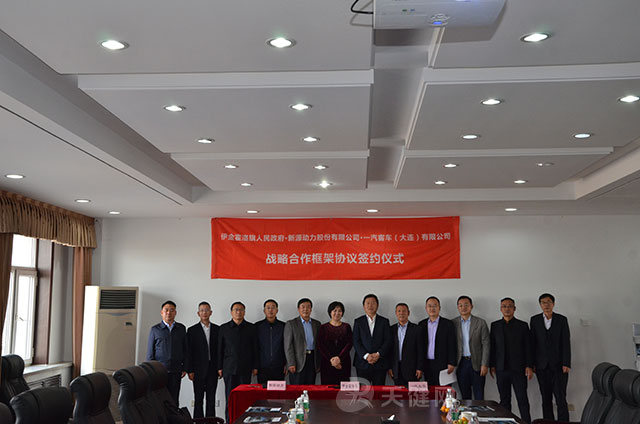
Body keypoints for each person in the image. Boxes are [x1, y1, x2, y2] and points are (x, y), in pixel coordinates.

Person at [490, 297, 533, 424]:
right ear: (500, 309)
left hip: (518, 369)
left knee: (522, 399)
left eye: (509, 306)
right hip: (501, 369)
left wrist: (529, 365)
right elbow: (492, 347)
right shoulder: (495, 326)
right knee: (504, 400)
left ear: (514, 309)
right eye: (504, 306)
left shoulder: (523, 325)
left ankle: (526, 422)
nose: (507, 309)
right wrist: (492, 365)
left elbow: (528, 347)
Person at [530, 293, 571, 421]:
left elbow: (566, 342)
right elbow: (533, 343)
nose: (546, 305)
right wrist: (532, 364)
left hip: (559, 366)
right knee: (546, 399)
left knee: (560, 398)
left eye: (548, 302)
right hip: (541, 366)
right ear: (540, 305)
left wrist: (566, 363)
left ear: (553, 304)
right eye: (543, 302)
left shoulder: (561, 320)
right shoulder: (535, 320)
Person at [217, 301, 258, 423]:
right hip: (229, 368)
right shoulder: (224, 328)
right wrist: (219, 367)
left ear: (244, 312)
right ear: (231, 312)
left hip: (245, 368)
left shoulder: (251, 328)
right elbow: (219, 349)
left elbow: (255, 349)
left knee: (245, 398)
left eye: (241, 310)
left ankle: (245, 420)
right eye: (236, 310)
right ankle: (229, 421)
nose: (238, 312)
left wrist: (255, 366)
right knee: (230, 398)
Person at [146, 300, 187, 406]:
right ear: (161, 312)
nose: (169, 313)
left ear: (175, 313)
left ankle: (174, 416)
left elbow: (185, 349)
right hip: (160, 371)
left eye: (172, 310)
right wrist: (151, 370)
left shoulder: (181, 328)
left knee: (174, 398)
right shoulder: (155, 329)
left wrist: (185, 367)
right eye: (166, 310)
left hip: (176, 370)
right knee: (160, 398)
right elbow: (150, 352)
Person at [452, 295, 490, 400]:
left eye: (466, 305)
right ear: (458, 307)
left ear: (471, 306)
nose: (463, 307)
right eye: (460, 305)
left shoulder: (480, 322)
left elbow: (486, 344)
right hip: (461, 363)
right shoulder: (453, 323)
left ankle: (480, 411)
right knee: (465, 396)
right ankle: (466, 412)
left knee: (479, 395)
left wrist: (484, 364)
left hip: (477, 363)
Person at [186, 301, 219, 418]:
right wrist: (190, 370)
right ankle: (198, 420)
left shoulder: (217, 329)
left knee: (211, 399)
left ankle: (211, 421)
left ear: (211, 312)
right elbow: (189, 352)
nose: (204, 312)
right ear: (198, 313)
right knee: (198, 399)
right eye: (202, 310)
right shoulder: (192, 330)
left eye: (207, 310)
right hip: (197, 370)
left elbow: (219, 351)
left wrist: (219, 368)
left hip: (212, 368)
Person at [352, 293, 392, 385]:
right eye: (368, 303)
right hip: (362, 363)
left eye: (373, 303)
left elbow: (388, 340)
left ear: (377, 305)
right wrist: (366, 356)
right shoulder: (358, 321)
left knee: (379, 391)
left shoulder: (384, 321)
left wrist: (378, 354)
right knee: (363, 391)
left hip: (380, 363)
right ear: (364, 306)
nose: (370, 305)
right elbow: (356, 341)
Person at [418, 296, 457, 387]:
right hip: (427, 364)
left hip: (443, 364)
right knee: (430, 391)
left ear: (439, 308)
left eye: (435, 306)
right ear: (426, 308)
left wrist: (452, 362)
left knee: (444, 391)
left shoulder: (448, 324)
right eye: (429, 306)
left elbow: (452, 344)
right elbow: (419, 346)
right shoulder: (421, 324)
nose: (432, 308)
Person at [284, 298, 321, 385]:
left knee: (310, 387)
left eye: (308, 307)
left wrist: (318, 363)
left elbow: (319, 344)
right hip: (297, 362)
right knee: (297, 388)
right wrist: (291, 363)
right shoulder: (291, 324)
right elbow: (288, 346)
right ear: (298, 309)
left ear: (311, 309)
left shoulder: (317, 324)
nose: (305, 309)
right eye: (303, 307)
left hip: (312, 360)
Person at [317, 301, 353, 385]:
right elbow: (320, 345)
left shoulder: (347, 327)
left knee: (343, 388)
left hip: (343, 362)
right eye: (334, 311)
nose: (337, 313)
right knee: (327, 388)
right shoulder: (323, 327)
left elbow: (349, 343)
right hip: (327, 362)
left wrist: (339, 359)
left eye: (340, 311)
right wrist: (332, 360)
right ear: (330, 312)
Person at [389, 303, 424, 387]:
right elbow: (389, 350)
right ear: (396, 313)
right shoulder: (391, 329)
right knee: (398, 393)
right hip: (396, 369)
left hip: (412, 369)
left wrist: (420, 368)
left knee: (412, 394)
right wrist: (390, 367)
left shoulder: (417, 329)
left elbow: (421, 350)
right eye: (399, 311)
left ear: (408, 313)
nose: (401, 313)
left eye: (404, 311)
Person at [256, 299, 287, 384]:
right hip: (262, 367)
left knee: (278, 391)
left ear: (277, 310)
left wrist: (286, 363)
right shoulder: (257, 326)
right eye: (268, 308)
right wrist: (255, 366)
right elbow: (254, 347)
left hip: (279, 366)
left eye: (273, 308)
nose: (270, 310)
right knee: (262, 391)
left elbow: (287, 346)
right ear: (264, 310)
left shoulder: (283, 326)